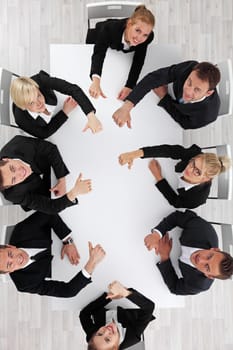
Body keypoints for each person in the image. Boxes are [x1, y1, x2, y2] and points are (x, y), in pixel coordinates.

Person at [0, 212, 106, 297]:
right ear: (9, 271)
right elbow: (67, 291)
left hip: (73, 234)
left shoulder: (21, 230)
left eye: (10, 254)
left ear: (10, 246)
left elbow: (48, 213)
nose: (16, 259)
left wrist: (67, 241)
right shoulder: (24, 284)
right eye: (9, 264)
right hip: (59, 266)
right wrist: (91, 263)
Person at [144, 210, 233, 295]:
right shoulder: (202, 229)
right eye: (209, 256)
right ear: (214, 249)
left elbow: (175, 287)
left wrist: (165, 257)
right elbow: (177, 217)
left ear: (209, 276)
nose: (200, 259)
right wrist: (157, 234)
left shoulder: (198, 285)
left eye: (207, 267)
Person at [113, 60, 221, 129]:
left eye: (197, 90)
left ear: (208, 93)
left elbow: (185, 123)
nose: (188, 91)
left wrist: (164, 98)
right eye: (189, 82)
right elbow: (154, 78)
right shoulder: (190, 67)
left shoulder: (208, 114)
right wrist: (126, 107)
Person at [118, 144, 231, 209]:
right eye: (192, 163)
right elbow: (169, 150)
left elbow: (176, 202)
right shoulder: (194, 155)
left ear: (206, 179)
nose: (189, 169)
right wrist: (134, 154)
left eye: (197, 172)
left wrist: (159, 177)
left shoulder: (197, 199)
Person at [0, 135, 92, 213]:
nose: (20, 172)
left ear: (6, 159)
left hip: (42, 166)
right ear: (9, 186)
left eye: (12, 168)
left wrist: (62, 179)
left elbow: (51, 149)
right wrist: (74, 192)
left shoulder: (18, 144)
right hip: (34, 192)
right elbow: (50, 207)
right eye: (14, 179)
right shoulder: (12, 194)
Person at [87, 5, 155, 101]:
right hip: (97, 36)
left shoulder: (148, 38)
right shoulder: (108, 29)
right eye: (137, 30)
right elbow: (99, 54)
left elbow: (138, 60)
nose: (140, 38)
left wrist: (130, 86)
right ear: (129, 24)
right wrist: (96, 81)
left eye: (145, 34)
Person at [10, 70, 102, 138]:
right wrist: (64, 112)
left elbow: (73, 89)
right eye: (31, 103)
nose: (39, 103)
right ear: (24, 107)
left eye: (38, 95)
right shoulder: (21, 119)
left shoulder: (40, 81)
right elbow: (44, 133)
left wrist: (91, 115)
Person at [79, 280, 155, 350]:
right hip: (129, 307)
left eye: (100, 333)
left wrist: (108, 297)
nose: (106, 331)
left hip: (107, 302)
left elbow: (84, 314)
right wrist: (126, 293)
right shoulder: (132, 337)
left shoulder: (94, 340)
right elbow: (149, 307)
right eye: (107, 339)